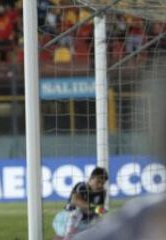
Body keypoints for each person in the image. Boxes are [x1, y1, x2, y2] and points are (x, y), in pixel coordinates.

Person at [73, 56, 166, 240]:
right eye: (98, 180)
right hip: (74, 219)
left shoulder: (136, 218)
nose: (98, 183)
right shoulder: (81, 188)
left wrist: (97, 210)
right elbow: (76, 203)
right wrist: (94, 209)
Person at [53, 167, 109, 240]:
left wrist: (100, 211)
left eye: (102, 183)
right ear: (91, 178)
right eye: (98, 181)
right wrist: (94, 208)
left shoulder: (102, 193)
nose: (100, 185)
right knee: (61, 235)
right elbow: (75, 200)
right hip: (67, 218)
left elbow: (99, 210)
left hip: (86, 221)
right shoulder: (82, 186)